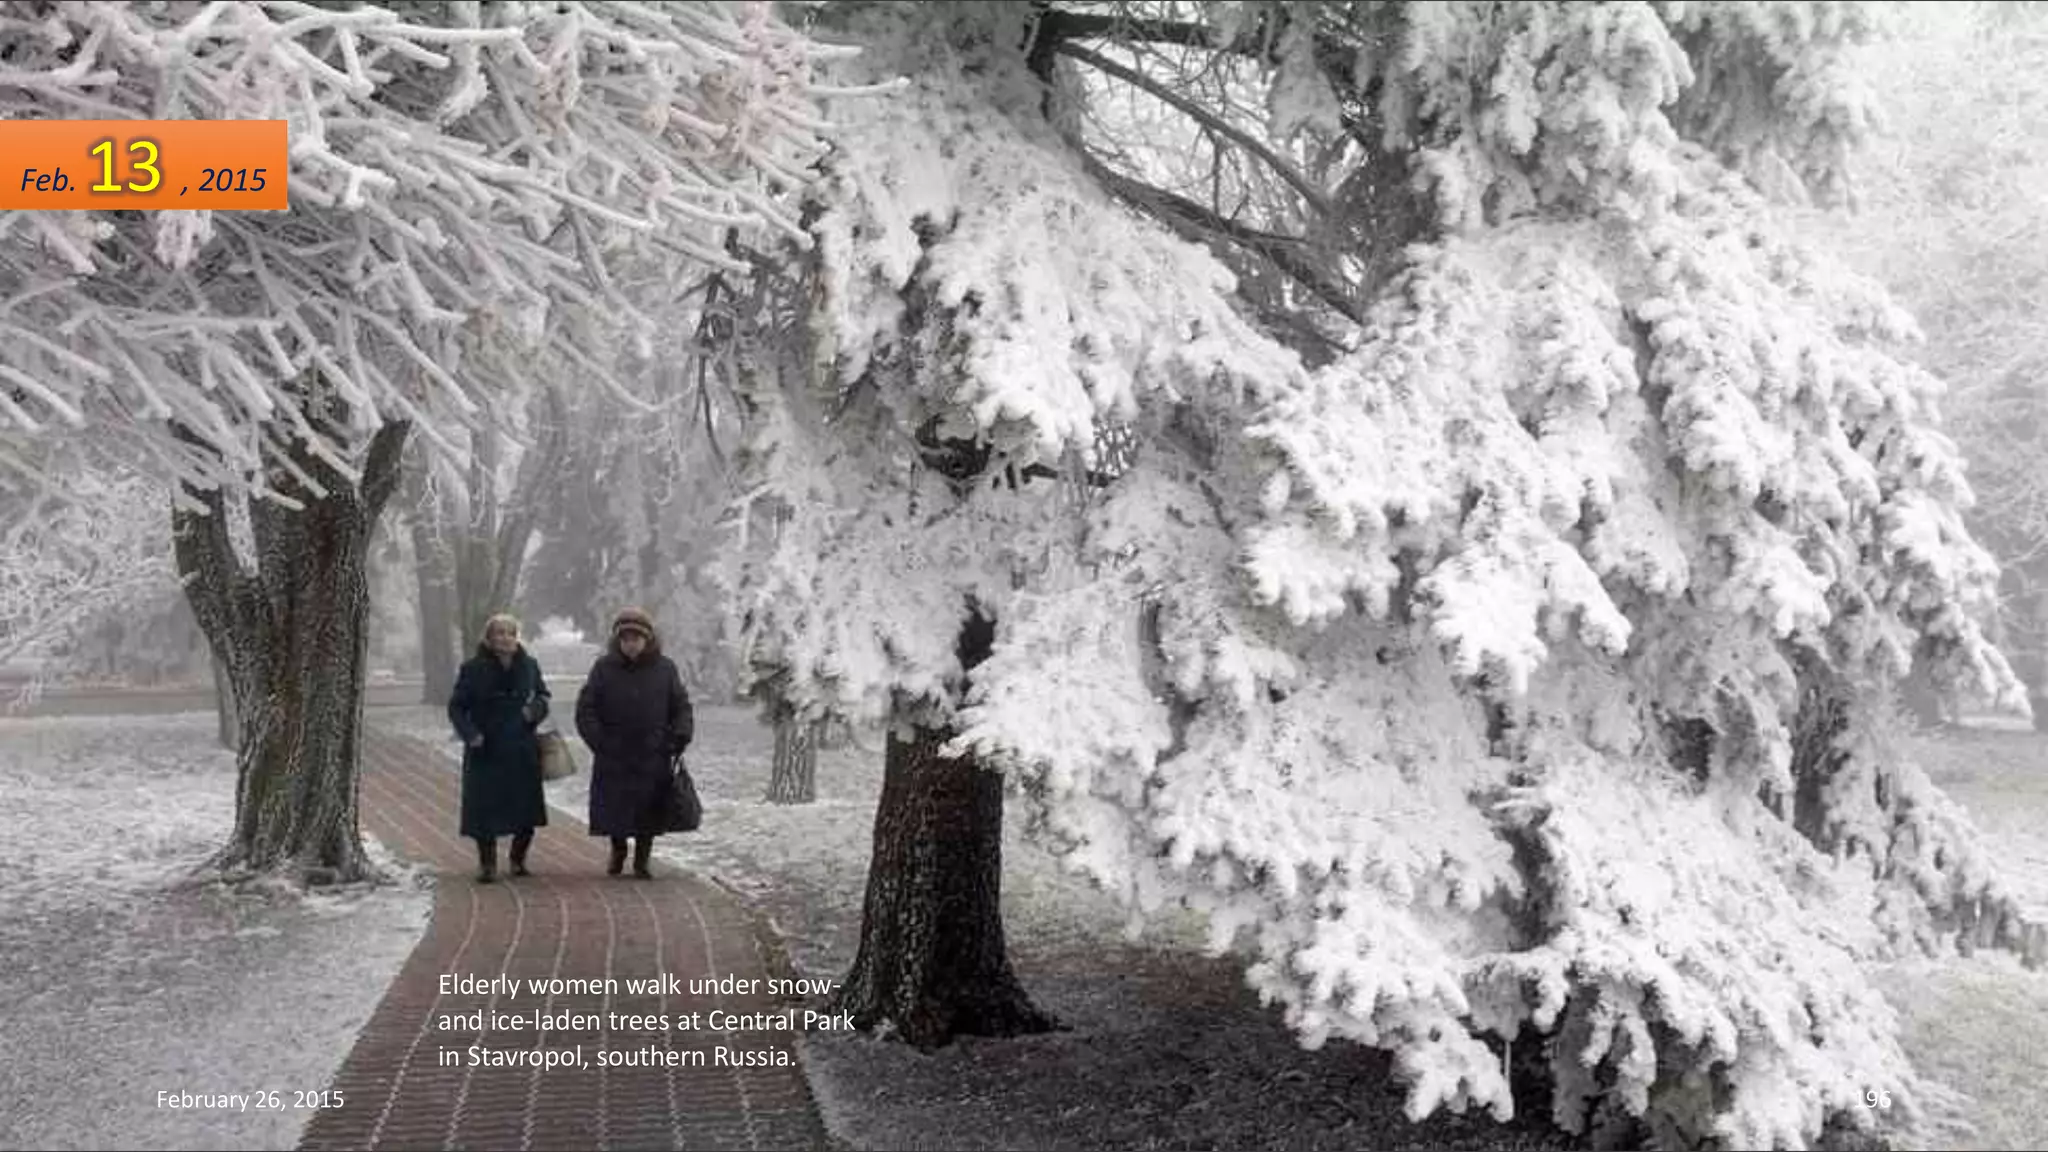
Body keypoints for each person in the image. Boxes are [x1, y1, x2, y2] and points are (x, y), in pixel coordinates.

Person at [575, 606, 694, 878]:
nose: (631, 644)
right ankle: (618, 850)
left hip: (652, 751)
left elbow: (681, 706)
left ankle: (642, 860)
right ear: (618, 641)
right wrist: (599, 740)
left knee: (648, 810)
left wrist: (679, 734)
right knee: (615, 808)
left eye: (636, 638)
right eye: (625, 639)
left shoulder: (665, 669)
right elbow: (587, 708)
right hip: (614, 751)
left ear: (647, 639)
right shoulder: (604, 668)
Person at [447, 613, 551, 883]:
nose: (505, 638)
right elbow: (457, 707)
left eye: (510, 633)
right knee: (485, 810)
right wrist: (470, 734)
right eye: (499, 633)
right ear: (489, 638)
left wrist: (535, 711)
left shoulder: (529, 665)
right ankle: (487, 864)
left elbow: (542, 695)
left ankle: (518, 859)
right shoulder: (473, 668)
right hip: (486, 746)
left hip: (520, 746)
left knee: (526, 809)